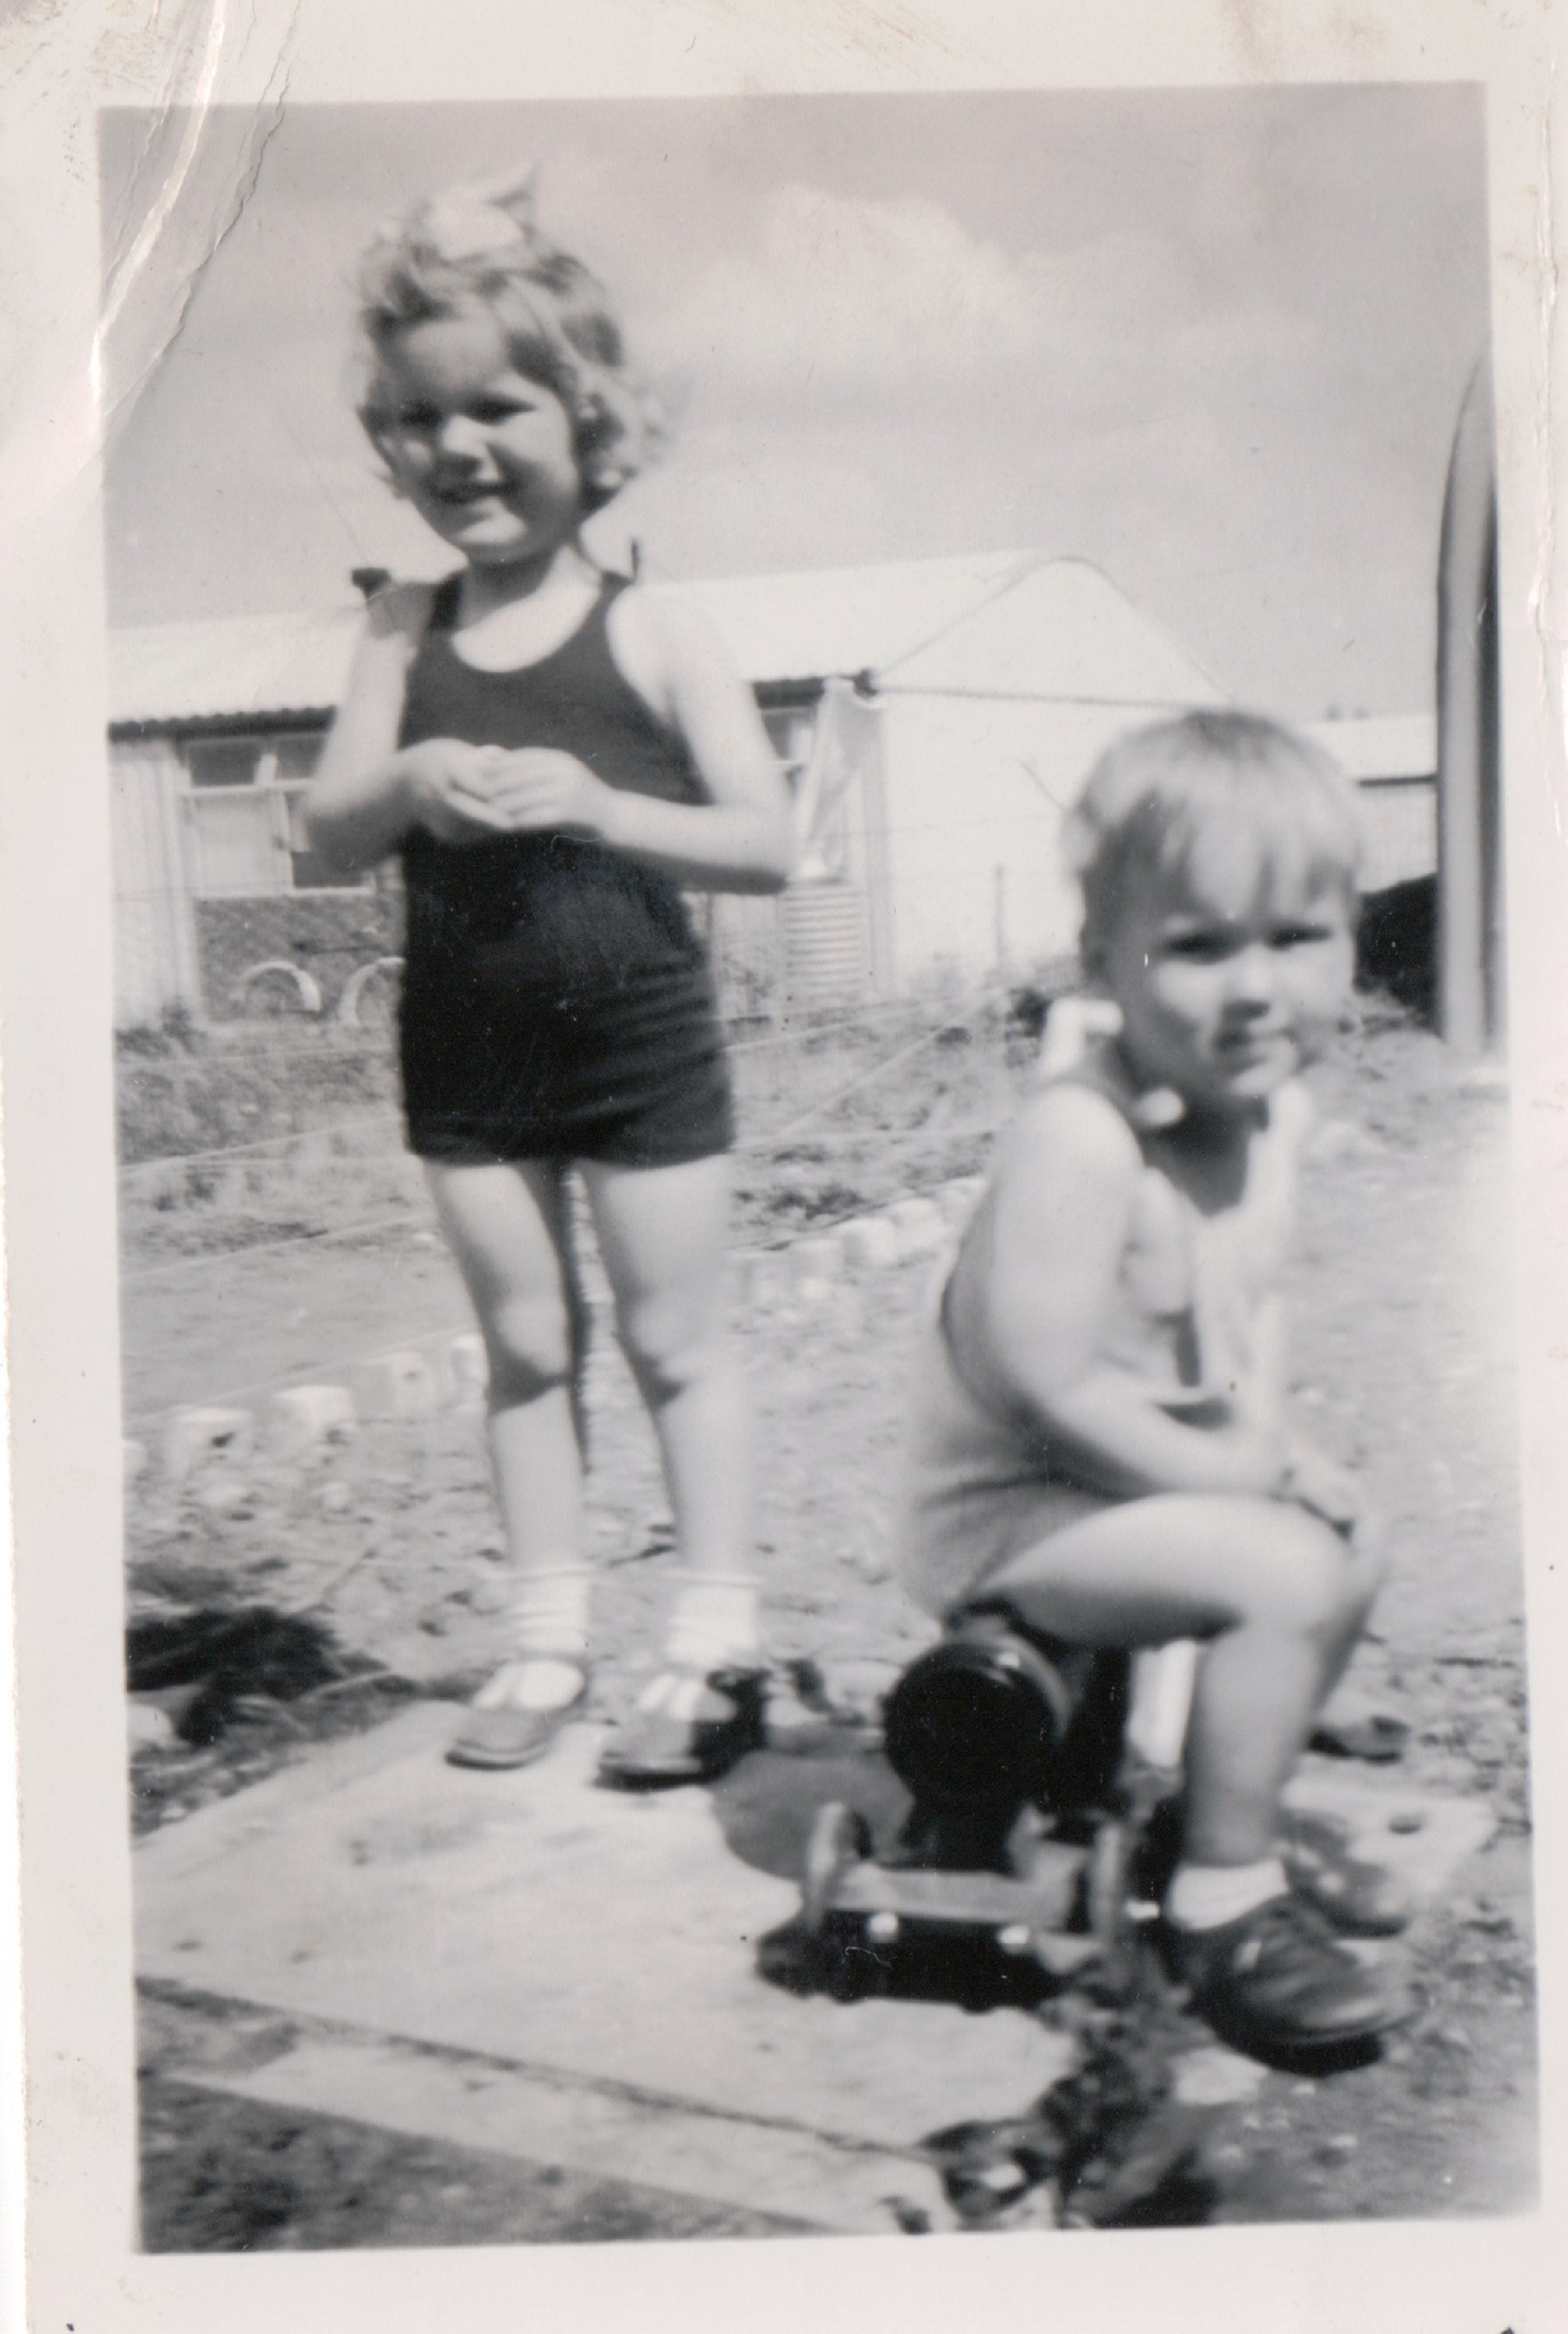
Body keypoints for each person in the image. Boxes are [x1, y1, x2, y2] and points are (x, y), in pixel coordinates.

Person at [306, 172, 794, 1782]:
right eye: (419, 420)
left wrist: (597, 806)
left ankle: (715, 1649)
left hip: (639, 1050)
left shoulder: (659, 631)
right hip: (468, 1058)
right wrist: (416, 776)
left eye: (497, 408)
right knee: (523, 1350)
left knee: (677, 1345)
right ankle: (546, 1640)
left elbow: (765, 841)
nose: (457, 450)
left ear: (588, 419)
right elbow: (322, 834)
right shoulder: (399, 632)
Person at [898, 708, 1407, 2058]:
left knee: (1344, 1541)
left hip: (1121, 1491)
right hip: (1012, 1524)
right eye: (1196, 946)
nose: (1253, 988)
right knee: (1283, 1571)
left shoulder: (1259, 1116)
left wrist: (1272, 1450)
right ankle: (1223, 1908)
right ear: (1102, 965)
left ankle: (1221, 1811)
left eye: (1294, 938)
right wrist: (1231, 1477)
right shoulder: (1080, 1137)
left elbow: (1234, 1342)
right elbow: (1042, 1387)